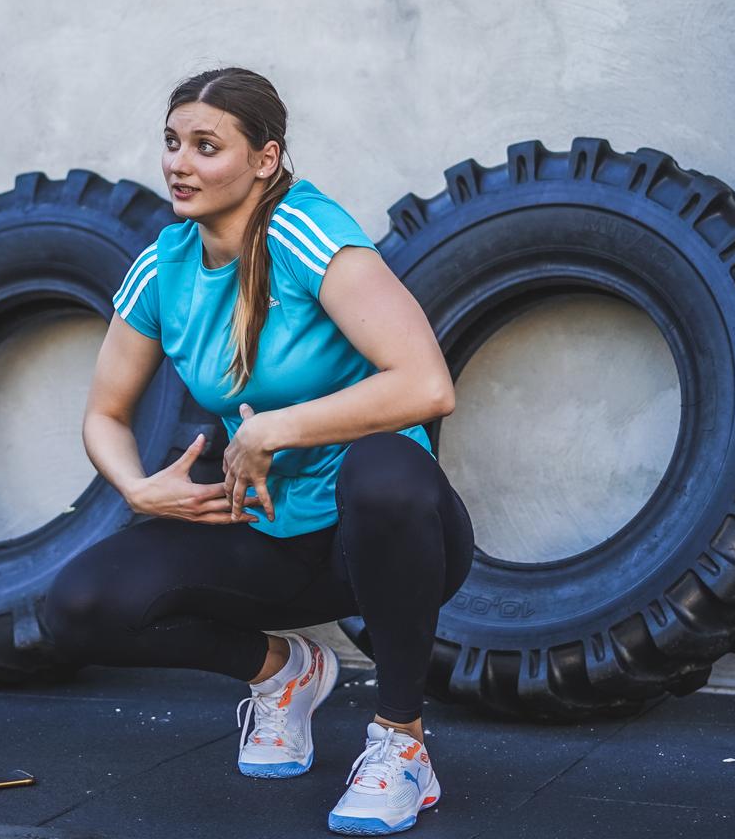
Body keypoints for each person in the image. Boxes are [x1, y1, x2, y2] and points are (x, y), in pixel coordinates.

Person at [42, 65, 476, 835]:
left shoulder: (309, 235)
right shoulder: (163, 267)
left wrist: (272, 429)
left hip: (384, 533)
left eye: (207, 146)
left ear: (264, 159)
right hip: (270, 534)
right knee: (78, 608)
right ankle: (283, 672)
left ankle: (401, 743)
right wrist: (137, 489)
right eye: (172, 143)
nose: (180, 163)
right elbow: (105, 413)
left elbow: (427, 383)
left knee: (383, 469)